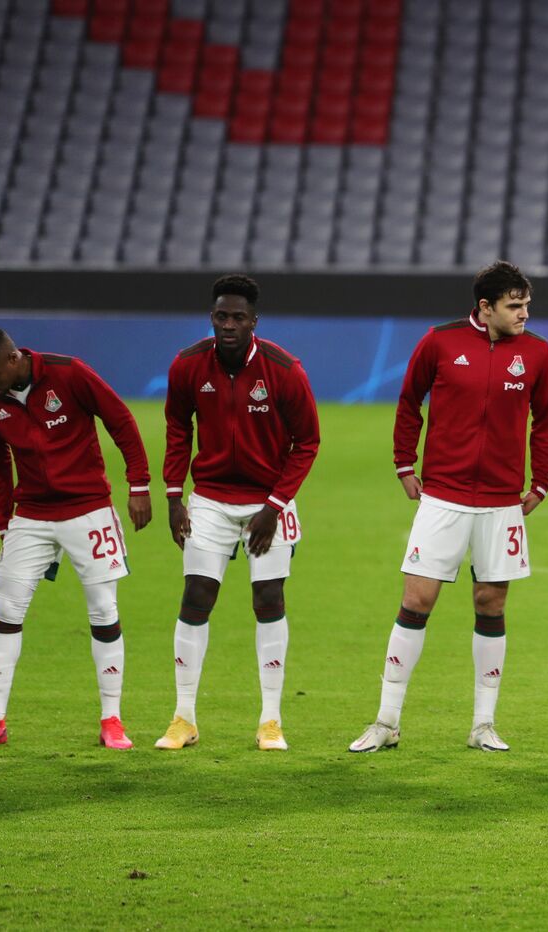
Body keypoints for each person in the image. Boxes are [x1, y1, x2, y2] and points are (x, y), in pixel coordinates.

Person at [349, 261, 548, 754]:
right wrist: (405, 464)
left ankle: (483, 725)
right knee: (417, 600)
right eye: (514, 306)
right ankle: (386, 721)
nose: (525, 313)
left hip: (503, 503)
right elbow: (408, 402)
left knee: (492, 604)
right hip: (442, 496)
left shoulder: (537, 353)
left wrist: (541, 483)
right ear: (485, 308)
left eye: (527, 304)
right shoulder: (439, 342)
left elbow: (546, 421)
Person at [0, 326, 151, 749]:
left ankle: (112, 719)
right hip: (30, 514)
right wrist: (2, 524)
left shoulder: (70, 374)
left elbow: (120, 421)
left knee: (104, 609)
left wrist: (138, 485)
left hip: (89, 510)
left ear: (13, 359)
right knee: (7, 609)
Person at [155, 275, 321, 752]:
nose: (228, 325)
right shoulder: (188, 365)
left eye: (238, 318)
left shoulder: (284, 369)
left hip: (269, 500)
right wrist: (173, 496)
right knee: (196, 595)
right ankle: (183, 717)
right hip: (209, 497)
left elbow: (307, 442)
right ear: (213, 318)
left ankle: (271, 720)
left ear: (254, 322)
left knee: (268, 598)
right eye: (221, 317)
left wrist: (274, 506)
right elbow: (176, 427)